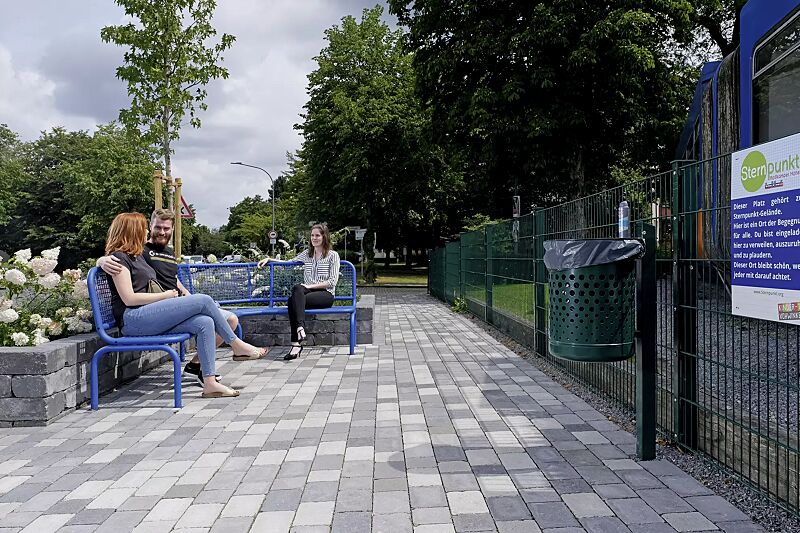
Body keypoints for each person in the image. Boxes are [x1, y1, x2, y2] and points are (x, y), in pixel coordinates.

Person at [103, 213, 266, 398]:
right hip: (133, 319)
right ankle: (236, 345)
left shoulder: (137, 256)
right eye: (144, 228)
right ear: (132, 231)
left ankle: (210, 383)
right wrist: (165, 296)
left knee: (204, 322)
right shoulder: (118, 258)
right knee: (203, 300)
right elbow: (129, 299)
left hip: (149, 315)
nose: (147, 231)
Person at [258, 223, 340, 360]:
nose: (314, 238)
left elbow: (332, 282)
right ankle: (300, 331)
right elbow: (287, 262)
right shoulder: (306, 255)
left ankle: (296, 343)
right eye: (312, 235)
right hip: (307, 294)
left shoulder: (333, 255)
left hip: (325, 294)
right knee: (295, 293)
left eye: (317, 235)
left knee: (293, 299)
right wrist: (269, 259)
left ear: (324, 237)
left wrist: (309, 286)